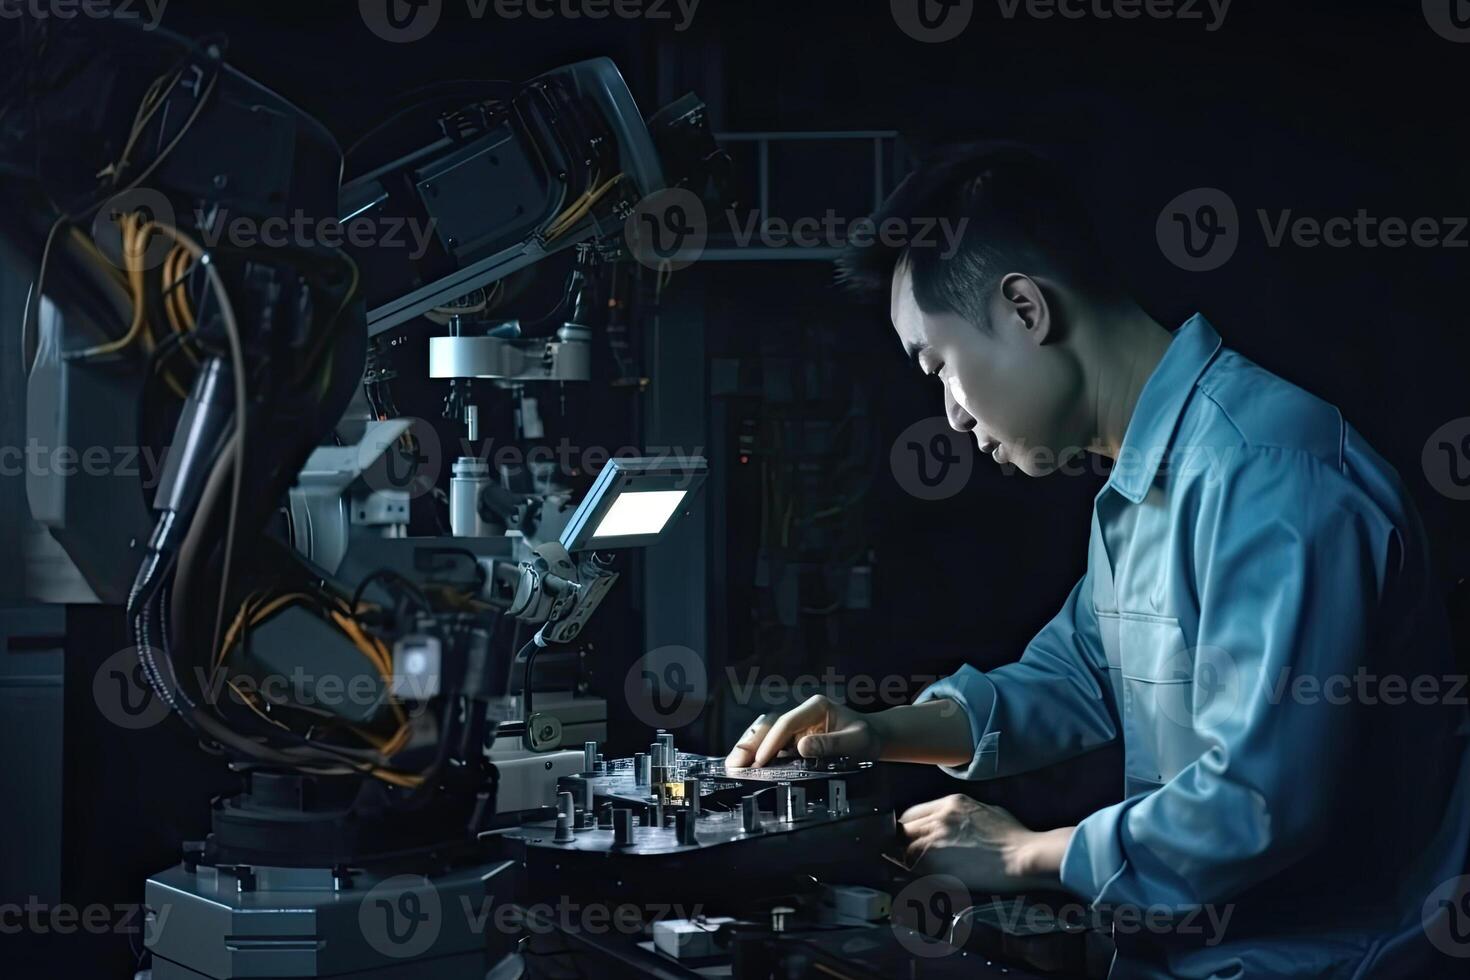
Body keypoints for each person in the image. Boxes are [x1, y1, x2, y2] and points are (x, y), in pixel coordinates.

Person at [724, 145, 1470, 977]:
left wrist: (1022, 853)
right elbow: (1074, 676)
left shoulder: (1269, 476)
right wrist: (877, 734)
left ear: (1023, 309)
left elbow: (1261, 801)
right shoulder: (1147, 480)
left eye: (941, 366)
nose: (952, 416)